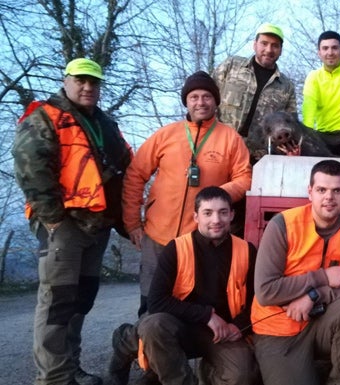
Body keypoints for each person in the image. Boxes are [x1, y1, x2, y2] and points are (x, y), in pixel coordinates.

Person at [13, 58, 133, 385]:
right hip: (64, 225)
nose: (87, 87)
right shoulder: (45, 116)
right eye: (80, 80)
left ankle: (71, 368)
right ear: (66, 80)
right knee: (57, 302)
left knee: (82, 298)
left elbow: (124, 167)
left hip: (99, 224)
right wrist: (52, 220)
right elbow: (30, 166)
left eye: (94, 82)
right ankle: (53, 378)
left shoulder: (105, 123)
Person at [123, 71, 252, 316]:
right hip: (157, 235)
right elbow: (135, 174)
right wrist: (132, 222)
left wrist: (216, 196)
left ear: (216, 101)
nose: (200, 102)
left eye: (206, 96)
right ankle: (140, 350)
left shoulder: (230, 139)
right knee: (151, 305)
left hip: (199, 239)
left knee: (193, 304)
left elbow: (245, 178)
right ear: (186, 101)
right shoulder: (166, 135)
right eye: (194, 97)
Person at [109, 186, 258, 385]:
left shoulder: (247, 251)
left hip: (221, 332)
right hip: (178, 326)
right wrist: (206, 315)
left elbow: (257, 301)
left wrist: (237, 326)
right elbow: (156, 302)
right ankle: (126, 341)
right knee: (153, 326)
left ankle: (201, 370)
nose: (216, 220)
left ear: (232, 215)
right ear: (196, 217)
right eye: (208, 213)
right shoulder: (176, 248)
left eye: (223, 212)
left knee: (242, 375)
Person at [251, 159, 340, 385]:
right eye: (322, 190)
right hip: (278, 326)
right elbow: (266, 291)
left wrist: (315, 294)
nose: (329, 197)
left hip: (325, 321)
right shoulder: (283, 225)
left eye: (337, 190)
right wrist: (323, 277)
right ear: (310, 192)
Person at [213, 23, 296, 141]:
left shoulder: (287, 87)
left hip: (259, 156)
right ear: (255, 44)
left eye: (275, 46)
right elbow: (208, 97)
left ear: (281, 50)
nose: (269, 50)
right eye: (264, 43)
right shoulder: (231, 66)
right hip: (220, 144)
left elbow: (290, 125)